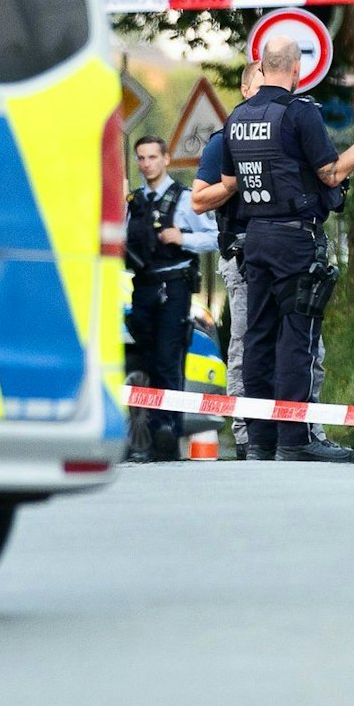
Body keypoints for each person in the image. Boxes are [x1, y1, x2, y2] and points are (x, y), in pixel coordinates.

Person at [199, 36, 354, 462]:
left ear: (261, 67)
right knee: (297, 339)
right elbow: (332, 174)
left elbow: (230, 184)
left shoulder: (238, 117)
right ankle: (294, 438)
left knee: (259, 338)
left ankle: (260, 440)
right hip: (295, 239)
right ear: (296, 69)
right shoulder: (299, 114)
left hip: (254, 240)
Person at [192, 61, 270, 457]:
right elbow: (199, 198)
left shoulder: (285, 134)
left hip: (281, 250)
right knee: (244, 339)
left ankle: (294, 429)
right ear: (244, 91)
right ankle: (244, 433)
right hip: (241, 253)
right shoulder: (226, 141)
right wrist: (236, 181)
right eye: (260, 87)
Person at [126, 134, 219, 461]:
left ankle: (166, 433)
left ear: (166, 159)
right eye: (141, 158)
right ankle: (151, 438)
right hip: (143, 288)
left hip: (174, 288)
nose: (147, 163)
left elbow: (213, 238)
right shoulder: (135, 202)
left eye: (152, 157)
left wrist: (182, 236)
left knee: (168, 360)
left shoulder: (184, 199)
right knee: (148, 361)